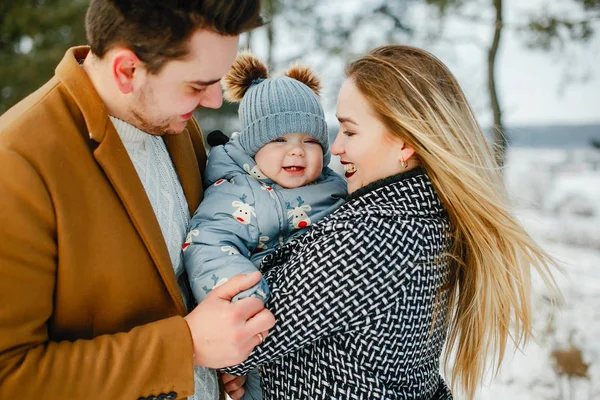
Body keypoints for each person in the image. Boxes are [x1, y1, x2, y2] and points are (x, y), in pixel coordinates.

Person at [219, 45, 560, 400]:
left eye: (350, 132)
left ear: (405, 141)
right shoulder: (423, 219)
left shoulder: (369, 239)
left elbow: (234, 338)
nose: (335, 148)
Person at [0, 1, 275, 399]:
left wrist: (220, 365)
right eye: (198, 85)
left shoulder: (179, 127)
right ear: (127, 71)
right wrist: (185, 349)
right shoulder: (17, 163)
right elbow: (10, 377)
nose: (216, 100)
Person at [183, 52, 347, 399]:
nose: (297, 152)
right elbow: (209, 243)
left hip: (325, 341)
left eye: (310, 141)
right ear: (253, 147)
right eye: (279, 140)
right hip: (262, 331)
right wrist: (246, 300)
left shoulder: (336, 187)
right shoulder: (237, 191)